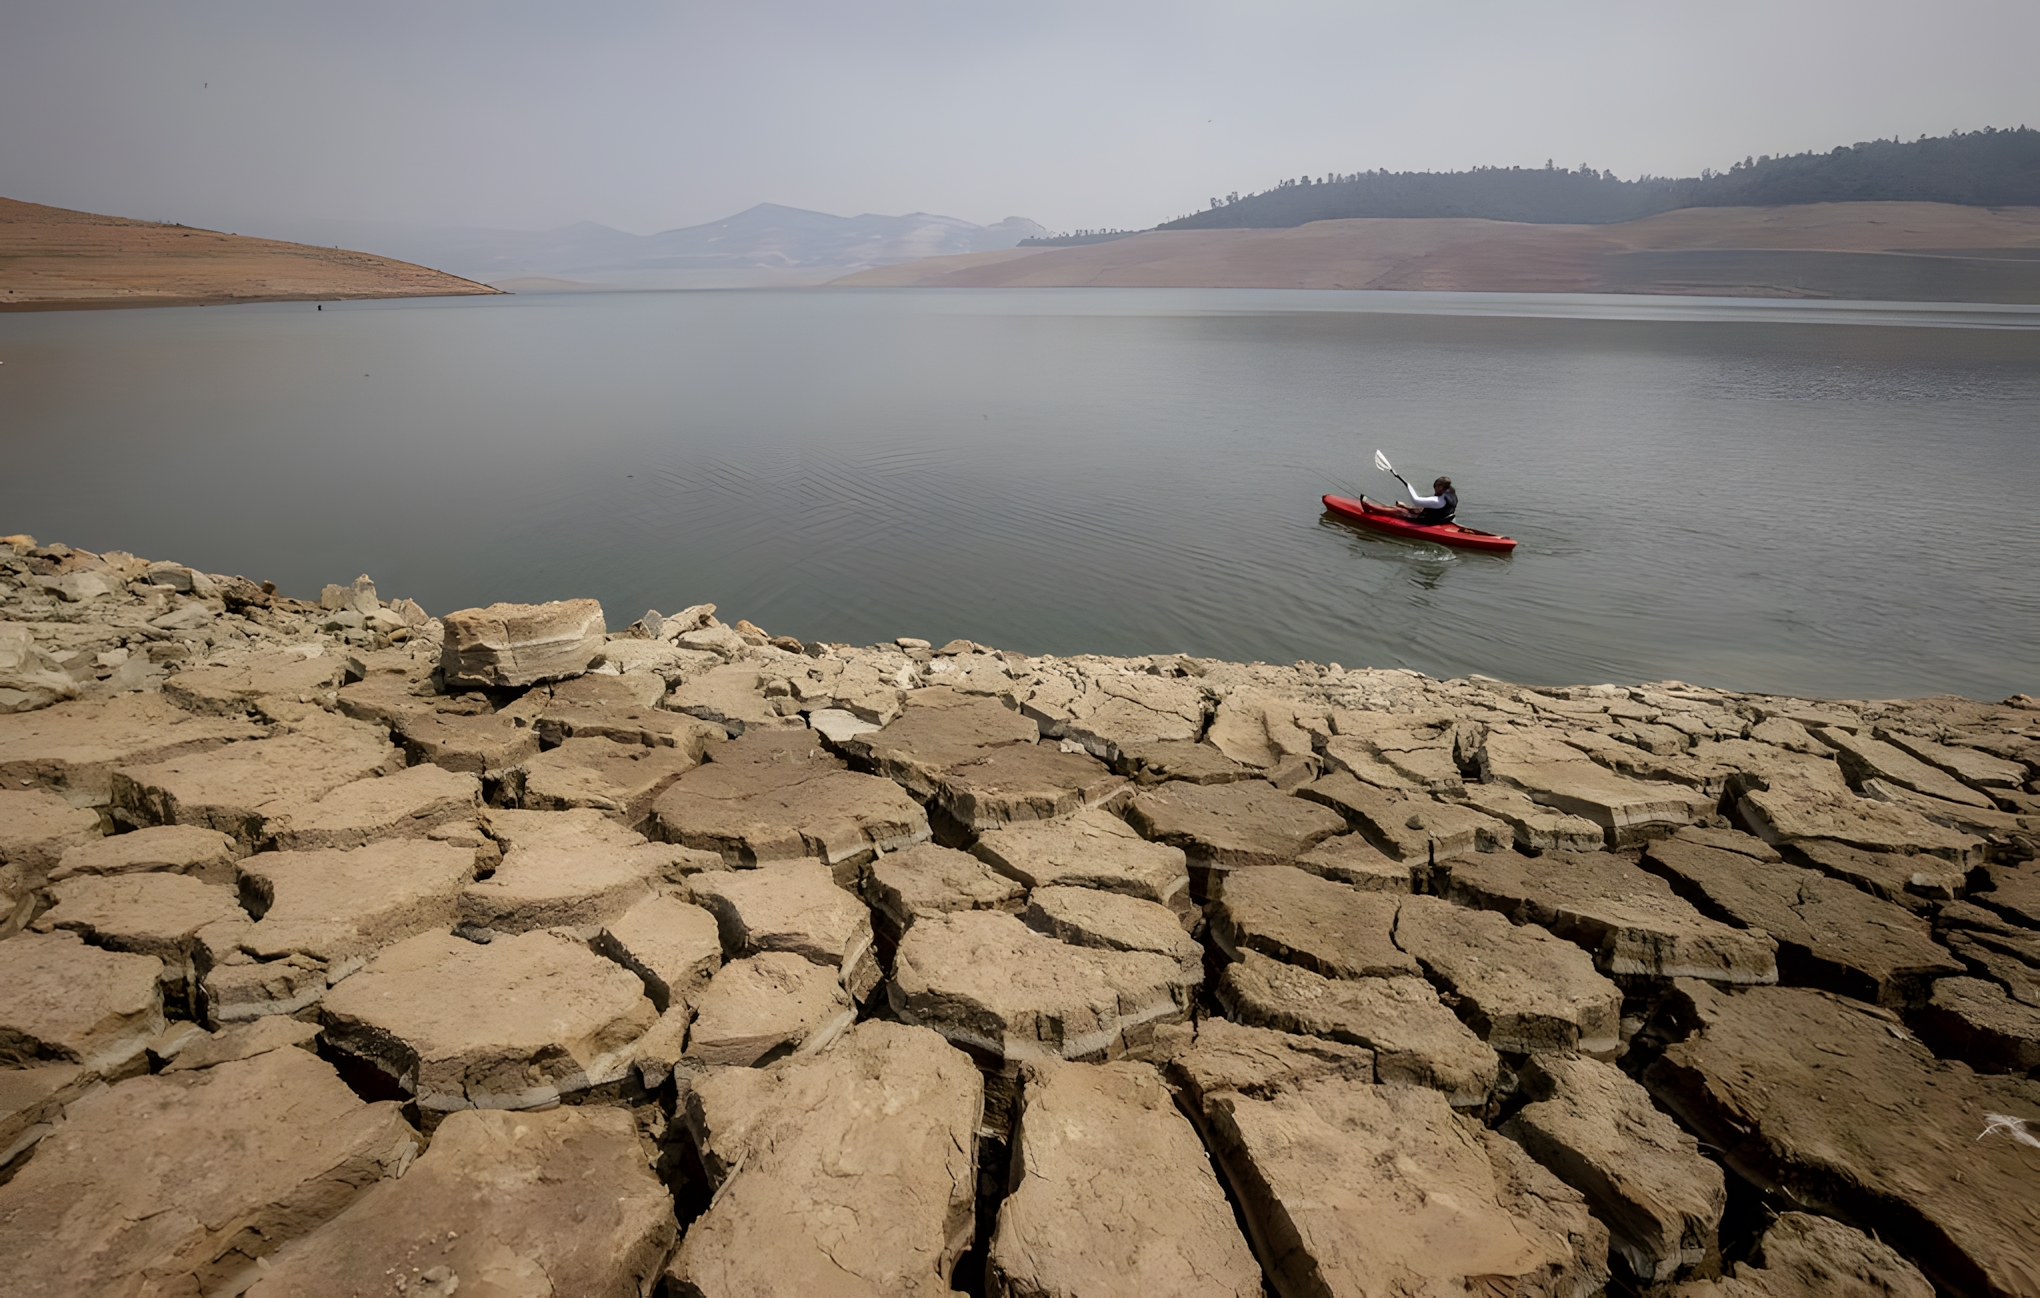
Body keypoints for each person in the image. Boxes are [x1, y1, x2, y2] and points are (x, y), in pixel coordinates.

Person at [1385, 476, 1457, 524]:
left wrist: (1408, 485)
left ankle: (1374, 510)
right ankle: (1404, 506)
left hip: (1433, 521)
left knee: (1399, 511)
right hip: (1444, 518)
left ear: (1440, 487)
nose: (1434, 490)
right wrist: (1406, 507)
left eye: (1435, 487)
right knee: (1419, 508)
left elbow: (1416, 501)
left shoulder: (1438, 501)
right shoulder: (1451, 492)